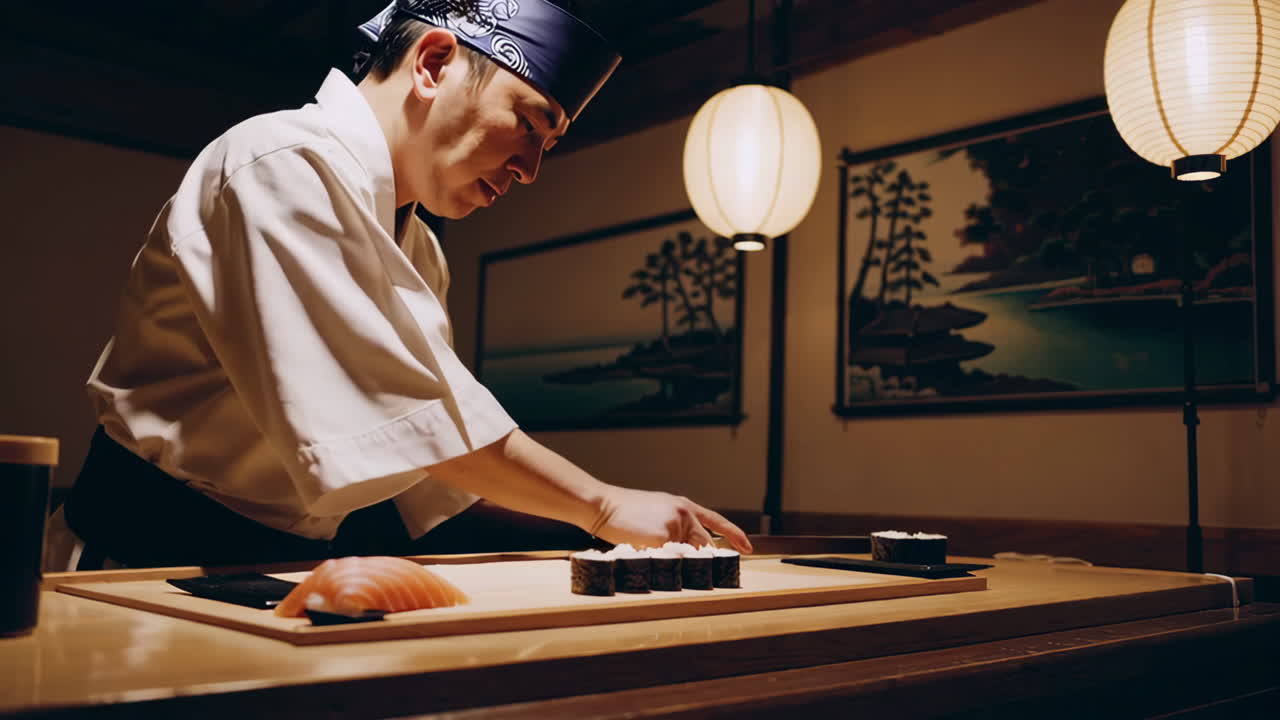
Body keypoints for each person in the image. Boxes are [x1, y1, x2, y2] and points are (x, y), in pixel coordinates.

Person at [61, 0, 752, 568]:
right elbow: (411, 425)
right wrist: (599, 503)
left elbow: (427, 471)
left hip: (286, 562)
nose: (531, 168)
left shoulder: (418, 245)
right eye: (530, 124)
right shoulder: (278, 163)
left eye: (550, 144)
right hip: (145, 555)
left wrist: (604, 538)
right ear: (433, 63)